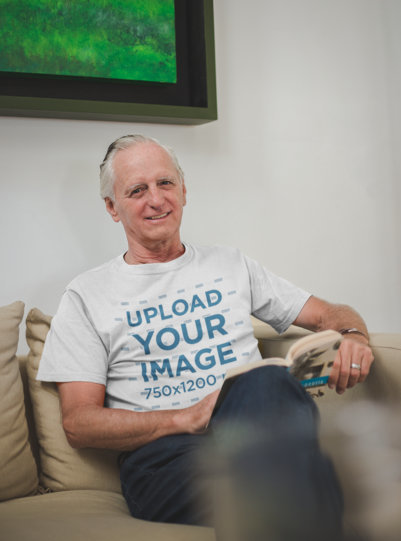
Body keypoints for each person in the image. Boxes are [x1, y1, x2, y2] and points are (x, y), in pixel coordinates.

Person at [37, 134, 374, 539]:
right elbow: (79, 423)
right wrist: (188, 416)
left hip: (259, 433)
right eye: (137, 190)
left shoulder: (231, 264)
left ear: (184, 190)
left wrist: (354, 336)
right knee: (299, 478)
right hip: (169, 459)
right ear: (112, 207)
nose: (156, 199)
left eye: (165, 183)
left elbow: (329, 313)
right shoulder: (86, 295)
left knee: (266, 383)